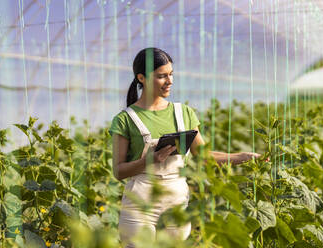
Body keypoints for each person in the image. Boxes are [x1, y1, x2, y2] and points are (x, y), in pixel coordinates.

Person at [109, 47, 260, 247]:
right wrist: (150, 161)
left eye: (171, 74)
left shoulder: (184, 113)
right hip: (140, 204)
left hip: (176, 203)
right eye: (162, 76)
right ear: (141, 78)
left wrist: (241, 156)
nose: (169, 81)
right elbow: (119, 171)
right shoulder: (125, 119)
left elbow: (203, 156)